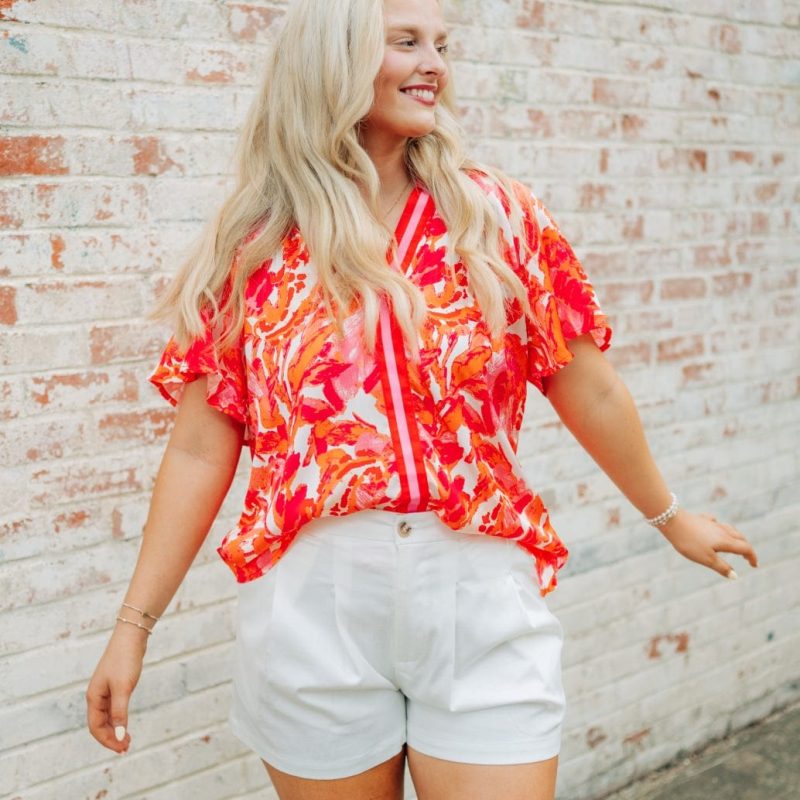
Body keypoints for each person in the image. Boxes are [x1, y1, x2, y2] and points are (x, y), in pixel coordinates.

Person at [85, 0, 760, 798]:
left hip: (475, 588)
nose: (434, 62)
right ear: (333, 61)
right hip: (313, 602)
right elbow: (201, 448)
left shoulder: (495, 216)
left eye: (442, 44)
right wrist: (133, 628)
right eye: (405, 42)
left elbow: (587, 384)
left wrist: (668, 514)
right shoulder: (255, 244)